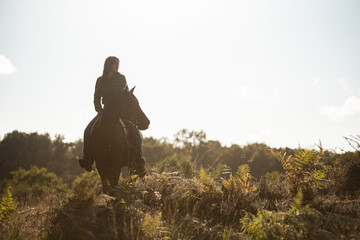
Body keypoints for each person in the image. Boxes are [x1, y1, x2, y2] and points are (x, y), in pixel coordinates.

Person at [78, 56, 146, 177]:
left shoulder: (121, 78)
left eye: (117, 64)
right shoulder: (100, 80)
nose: (116, 66)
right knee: (87, 130)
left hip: (120, 110)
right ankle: (87, 159)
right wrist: (99, 110)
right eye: (114, 64)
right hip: (105, 111)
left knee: (135, 132)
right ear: (108, 65)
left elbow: (125, 94)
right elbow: (96, 97)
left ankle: (139, 159)